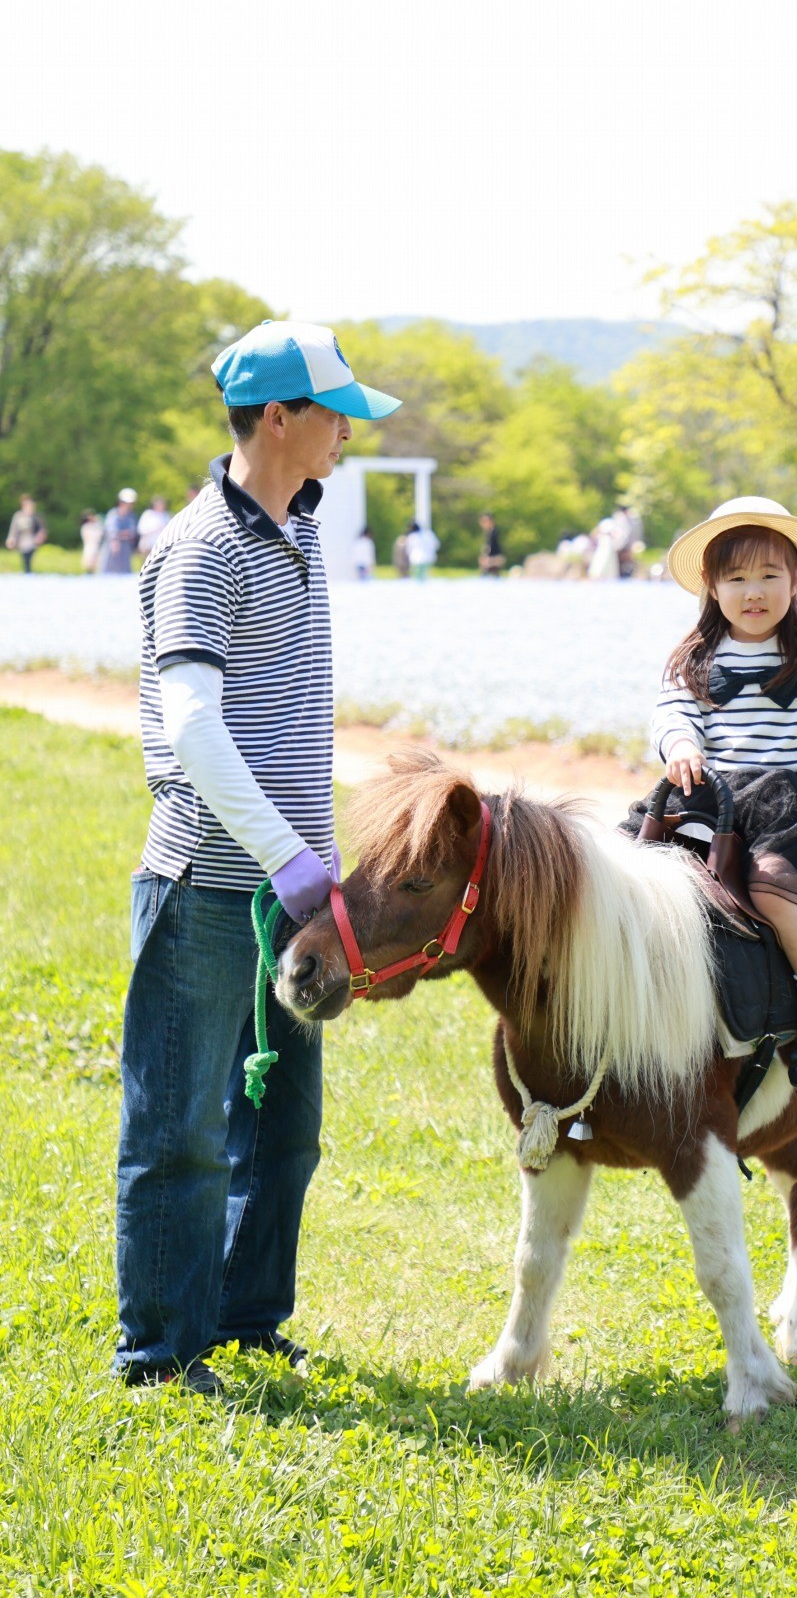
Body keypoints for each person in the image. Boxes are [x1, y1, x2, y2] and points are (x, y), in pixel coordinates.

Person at [114, 319, 400, 1394]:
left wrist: (314, 862)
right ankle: (159, 1354)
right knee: (180, 1132)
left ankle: (244, 1319)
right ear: (277, 417)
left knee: (280, 1129)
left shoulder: (302, 524)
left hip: (293, 895)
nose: (346, 436)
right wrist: (287, 856)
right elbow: (192, 722)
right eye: (335, 416)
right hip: (208, 890)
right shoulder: (201, 547)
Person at [642, 496, 797, 1088]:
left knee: (772, 886)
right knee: (650, 879)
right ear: (711, 585)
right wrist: (680, 747)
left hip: (792, 803)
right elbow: (671, 713)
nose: (756, 592)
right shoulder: (695, 656)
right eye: (738, 577)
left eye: (771, 576)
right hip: (713, 794)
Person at [99, 488, 140, 574]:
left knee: (125, 571)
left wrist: (123, 534)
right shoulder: (113, 514)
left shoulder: (130, 516)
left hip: (126, 547)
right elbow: (111, 531)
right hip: (112, 547)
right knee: (109, 571)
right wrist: (116, 538)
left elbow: (132, 532)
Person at [6, 494, 47, 573]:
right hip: (21, 541)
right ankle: (26, 573)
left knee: (29, 558)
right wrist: (11, 538)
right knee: (24, 559)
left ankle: (28, 573)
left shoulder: (36, 516)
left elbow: (41, 529)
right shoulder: (18, 516)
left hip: (32, 541)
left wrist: (40, 537)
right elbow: (14, 529)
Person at [405, 517, 440, 582]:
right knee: (424, 576)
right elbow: (436, 545)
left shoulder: (412, 536)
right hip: (427, 558)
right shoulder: (429, 534)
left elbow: (408, 549)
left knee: (417, 577)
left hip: (416, 559)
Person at [478, 512, 505, 576]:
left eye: (484, 521)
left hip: (495, 558)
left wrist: (486, 556)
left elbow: (491, 547)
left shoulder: (494, 533)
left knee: (487, 572)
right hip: (493, 558)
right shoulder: (489, 533)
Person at [80, 508, 104, 572]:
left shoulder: (97, 525)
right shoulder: (86, 526)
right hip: (90, 546)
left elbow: (101, 533)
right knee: (89, 564)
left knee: (97, 564)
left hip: (96, 546)